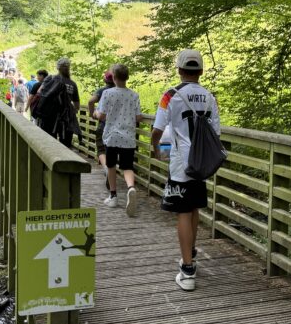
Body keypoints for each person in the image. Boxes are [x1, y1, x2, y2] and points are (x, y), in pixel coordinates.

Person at [150, 49, 220, 291]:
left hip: (180, 161)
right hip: (202, 160)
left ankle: (187, 270)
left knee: (182, 210)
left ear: (179, 70)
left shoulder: (170, 96)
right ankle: (191, 253)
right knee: (194, 207)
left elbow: (158, 129)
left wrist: (154, 147)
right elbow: (216, 133)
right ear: (200, 71)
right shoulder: (210, 97)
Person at [96, 63, 142, 216]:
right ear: (127, 77)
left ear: (113, 78)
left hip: (112, 136)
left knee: (111, 165)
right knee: (127, 167)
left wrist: (96, 113)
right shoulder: (134, 95)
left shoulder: (107, 93)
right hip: (128, 137)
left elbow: (101, 115)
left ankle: (113, 196)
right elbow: (138, 118)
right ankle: (131, 188)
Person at [37, 58, 81, 148]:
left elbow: (39, 92)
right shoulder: (72, 84)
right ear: (68, 68)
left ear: (57, 68)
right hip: (65, 119)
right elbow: (77, 105)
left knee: (49, 144)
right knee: (65, 145)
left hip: (49, 117)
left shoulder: (50, 79)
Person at [88, 71, 116, 189]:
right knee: (112, 151)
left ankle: (106, 168)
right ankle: (111, 170)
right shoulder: (121, 91)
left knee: (101, 149)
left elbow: (90, 101)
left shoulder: (102, 91)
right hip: (117, 127)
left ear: (105, 80)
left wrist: (92, 114)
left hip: (103, 124)